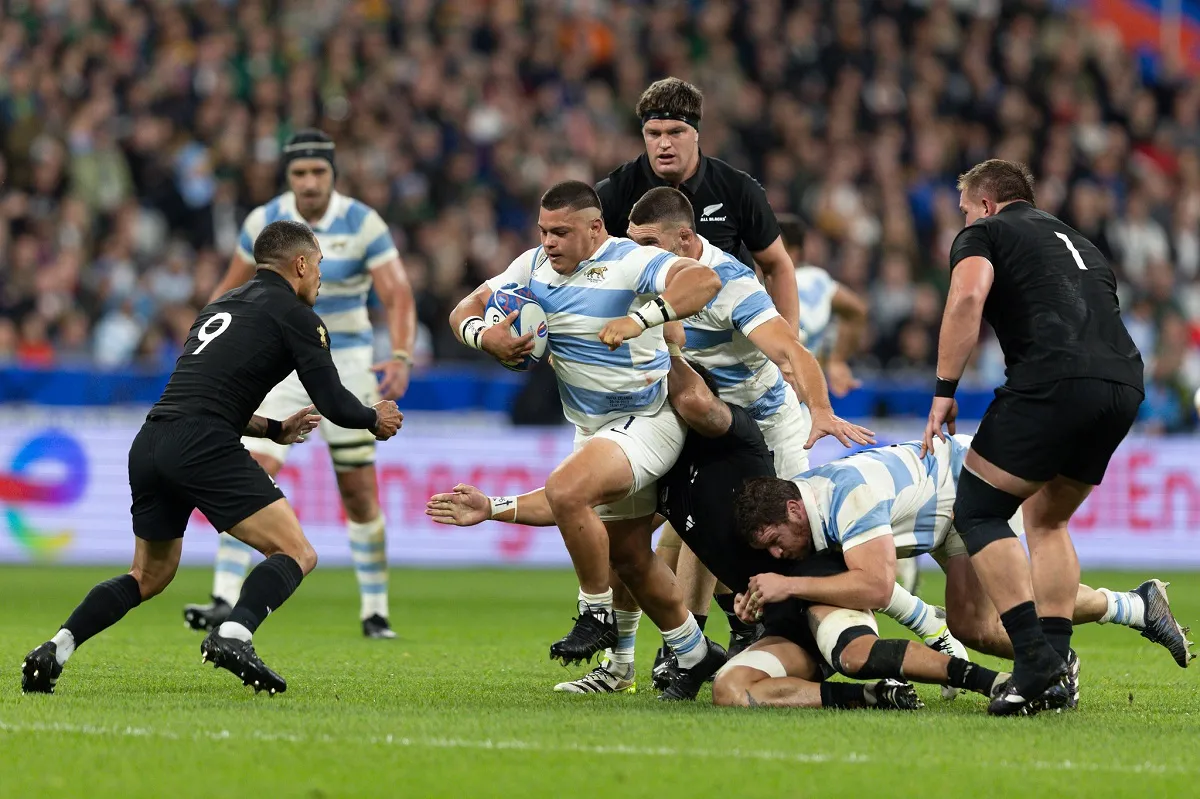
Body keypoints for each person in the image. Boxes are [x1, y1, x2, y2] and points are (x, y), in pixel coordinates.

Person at [426, 357, 994, 708]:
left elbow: (696, 399)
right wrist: (494, 507)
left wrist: (654, 340)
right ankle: (871, 699)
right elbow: (569, 499)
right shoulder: (651, 468)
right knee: (731, 691)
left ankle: (985, 680)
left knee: (854, 650)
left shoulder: (731, 436)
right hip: (773, 615)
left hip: (816, 587)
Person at [21, 220, 402, 695]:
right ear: (300, 264)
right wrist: (373, 418)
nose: (320, 276)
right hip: (202, 444)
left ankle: (57, 647)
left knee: (148, 575)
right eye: (319, 264)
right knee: (297, 552)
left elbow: (209, 395)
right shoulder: (297, 316)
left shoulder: (216, 307)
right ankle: (234, 632)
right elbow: (334, 402)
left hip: (153, 440)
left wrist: (277, 429)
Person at [448, 180, 731, 699]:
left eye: (561, 232)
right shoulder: (531, 265)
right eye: (544, 231)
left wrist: (640, 317)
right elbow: (464, 307)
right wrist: (483, 335)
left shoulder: (630, 260)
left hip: (648, 417)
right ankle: (691, 651)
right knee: (627, 553)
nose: (549, 241)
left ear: (596, 228)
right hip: (593, 425)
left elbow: (705, 281)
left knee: (568, 489)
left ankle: (593, 611)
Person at [615, 187, 873, 688]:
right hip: (709, 423)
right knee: (684, 526)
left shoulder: (733, 285)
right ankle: (681, 651)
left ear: (686, 240)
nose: (636, 253)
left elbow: (791, 352)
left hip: (772, 427)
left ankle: (860, 646)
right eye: (632, 242)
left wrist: (820, 410)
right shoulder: (643, 275)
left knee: (807, 547)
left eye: (647, 242)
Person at [921, 159, 1148, 715]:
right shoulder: (1080, 242)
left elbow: (967, 298)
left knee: (978, 509)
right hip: (1122, 385)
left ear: (987, 204)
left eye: (966, 210)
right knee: (1047, 519)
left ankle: (1033, 660)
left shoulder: (985, 232)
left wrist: (944, 388)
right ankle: (1057, 669)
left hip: (1053, 379)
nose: (964, 220)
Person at [729, 437, 1191, 709]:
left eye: (774, 540)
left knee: (999, 614)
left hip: (969, 488)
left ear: (793, 510)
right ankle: (1133, 608)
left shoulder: (845, 496)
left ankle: (1111, 620)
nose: (777, 553)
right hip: (948, 508)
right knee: (976, 627)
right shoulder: (809, 504)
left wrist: (789, 586)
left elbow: (876, 585)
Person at [183, 129, 416, 640]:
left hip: (347, 361)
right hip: (276, 364)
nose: (309, 183)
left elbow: (397, 294)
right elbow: (229, 290)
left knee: (357, 491)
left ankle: (374, 610)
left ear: (334, 175)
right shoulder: (263, 221)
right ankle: (224, 596)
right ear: (287, 177)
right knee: (245, 469)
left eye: (318, 173)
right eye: (300, 174)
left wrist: (399, 354)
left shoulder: (363, 222)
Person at [595, 78, 799, 330]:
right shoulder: (614, 193)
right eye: (654, 133)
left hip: (726, 340)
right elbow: (586, 268)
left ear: (696, 133)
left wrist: (790, 344)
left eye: (675, 132)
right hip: (650, 338)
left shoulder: (737, 189)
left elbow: (776, 265)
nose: (664, 144)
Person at [776, 214, 868, 401]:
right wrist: (837, 360)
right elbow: (856, 310)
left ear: (792, 252)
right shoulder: (818, 279)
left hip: (781, 401)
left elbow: (856, 310)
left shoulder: (809, 281)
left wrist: (836, 360)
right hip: (804, 403)